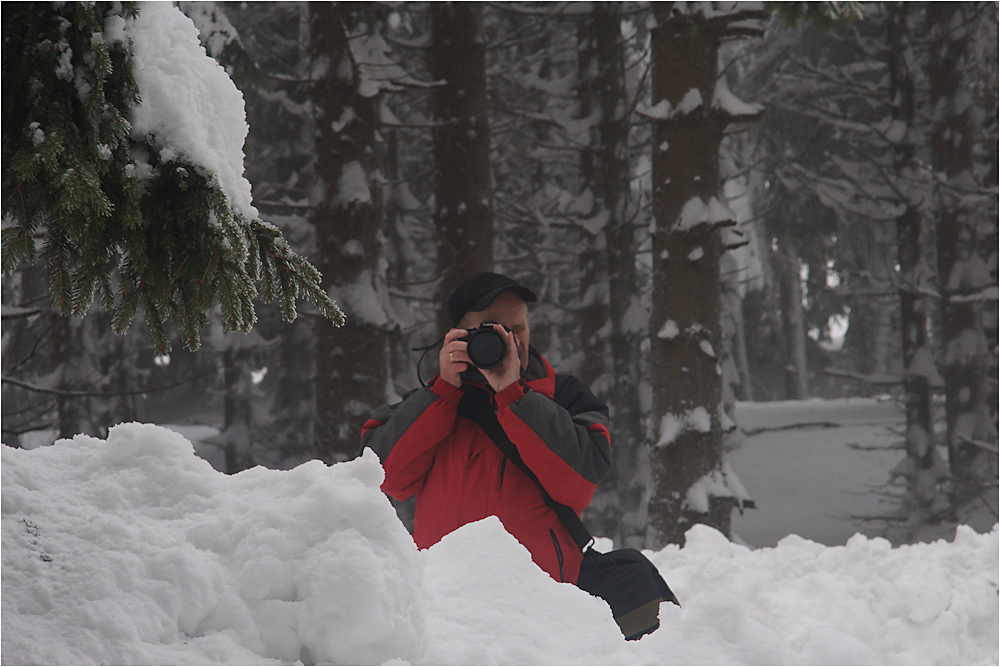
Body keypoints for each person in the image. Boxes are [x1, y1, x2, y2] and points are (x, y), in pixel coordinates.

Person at [361, 271, 612, 586]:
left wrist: (514, 397)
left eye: (518, 327)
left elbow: (581, 482)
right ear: (459, 335)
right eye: (494, 329)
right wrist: (442, 394)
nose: (510, 339)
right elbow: (384, 476)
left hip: (539, 602)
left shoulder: (564, 396)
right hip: (446, 600)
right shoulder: (432, 404)